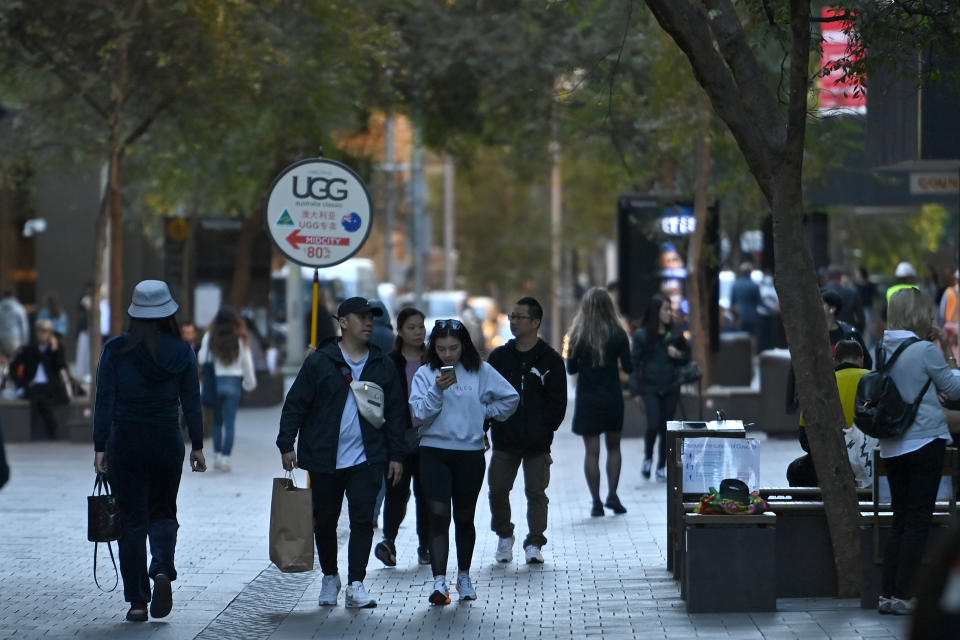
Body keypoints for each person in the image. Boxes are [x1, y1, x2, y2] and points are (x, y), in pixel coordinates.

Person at [277, 297, 407, 609]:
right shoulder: (320, 361)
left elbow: (396, 413)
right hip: (324, 456)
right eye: (361, 317)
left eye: (371, 317)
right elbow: (296, 403)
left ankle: (356, 583)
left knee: (363, 519)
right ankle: (330, 576)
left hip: (368, 456)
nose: (368, 322)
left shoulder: (382, 364)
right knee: (325, 520)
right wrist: (286, 443)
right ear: (343, 322)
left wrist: (396, 455)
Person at [92, 280, 206, 623]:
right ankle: (161, 569)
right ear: (169, 313)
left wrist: (100, 445)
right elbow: (192, 401)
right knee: (163, 512)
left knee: (131, 521)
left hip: (125, 440)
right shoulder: (182, 351)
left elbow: (104, 400)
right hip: (166, 439)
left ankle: (138, 602)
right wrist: (197, 444)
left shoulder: (115, 349)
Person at [409, 318, 518, 605]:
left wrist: (484, 414)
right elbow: (418, 414)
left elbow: (511, 398)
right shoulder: (424, 374)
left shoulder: (480, 371)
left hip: (469, 453)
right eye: (441, 348)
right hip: (434, 450)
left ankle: (464, 576)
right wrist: (437, 390)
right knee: (438, 514)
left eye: (453, 348)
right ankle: (439, 581)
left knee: (464, 517)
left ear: (464, 346)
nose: (447, 354)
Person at [876, 287, 960, 615]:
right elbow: (953, 389)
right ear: (916, 314)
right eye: (926, 312)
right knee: (918, 521)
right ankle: (904, 595)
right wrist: (948, 352)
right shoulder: (925, 349)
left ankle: (887, 593)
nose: (931, 318)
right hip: (925, 441)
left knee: (899, 520)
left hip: (893, 444)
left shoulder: (883, 347)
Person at [486, 297, 567, 565]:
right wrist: (485, 428)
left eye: (520, 317)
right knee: (497, 489)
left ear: (535, 322)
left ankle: (534, 542)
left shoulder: (550, 360)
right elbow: (486, 396)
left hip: (537, 442)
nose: (514, 321)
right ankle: (504, 534)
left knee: (536, 493)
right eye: (512, 316)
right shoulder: (499, 358)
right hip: (504, 439)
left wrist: (545, 429)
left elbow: (558, 402)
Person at [565, 287, 633, 517]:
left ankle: (596, 502)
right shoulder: (618, 334)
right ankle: (613, 495)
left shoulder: (577, 336)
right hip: (612, 396)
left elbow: (571, 368)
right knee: (614, 447)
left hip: (587, 398)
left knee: (591, 452)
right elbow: (630, 367)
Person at [374, 307, 431, 568]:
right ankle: (389, 541)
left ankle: (427, 546)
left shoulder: (435, 360)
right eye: (411, 327)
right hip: (398, 438)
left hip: (431, 438)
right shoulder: (390, 362)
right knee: (397, 491)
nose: (418, 332)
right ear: (400, 331)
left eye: (421, 326)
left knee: (427, 493)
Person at [786, 340, 872, 487]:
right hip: (869, 461)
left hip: (830, 461)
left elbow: (805, 439)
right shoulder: (874, 379)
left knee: (795, 472)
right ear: (861, 359)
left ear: (835, 361)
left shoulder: (818, 385)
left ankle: (815, 509)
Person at [630, 295, 690, 482]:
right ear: (656, 312)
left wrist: (678, 354)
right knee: (653, 425)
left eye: (670, 309)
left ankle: (662, 465)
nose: (669, 313)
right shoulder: (642, 335)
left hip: (671, 386)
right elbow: (634, 364)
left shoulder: (676, 334)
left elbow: (687, 358)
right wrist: (635, 391)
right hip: (650, 387)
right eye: (665, 309)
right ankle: (648, 457)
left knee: (667, 427)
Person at [197, 308, 256, 472]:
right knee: (229, 423)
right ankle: (225, 458)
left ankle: (216, 456)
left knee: (217, 422)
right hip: (234, 382)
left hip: (216, 382)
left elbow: (202, 358)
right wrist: (249, 384)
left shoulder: (210, 337)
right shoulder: (240, 339)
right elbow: (247, 364)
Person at [7, 319, 70, 439]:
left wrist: (54, 350)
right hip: (32, 385)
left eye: (45, 331)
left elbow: (60, 366)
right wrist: (20, 384)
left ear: (50, 333)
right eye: (39, 331)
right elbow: (13, 368)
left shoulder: (56, 349)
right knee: (38, 397)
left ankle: (40, 432)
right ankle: (51, 432)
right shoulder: (29, 349)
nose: (42, 334)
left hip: (51, 387)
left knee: (40, 398)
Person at [824, 265, 864, 332]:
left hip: (826, 334)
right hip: (847, 333)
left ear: (827, 277)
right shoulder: (852, 293)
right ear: (840, 277)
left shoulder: (821, 293)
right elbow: (861, 317)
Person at [730, 261, 761, 335]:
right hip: (753, 318)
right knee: (752, 338)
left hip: (740, 318)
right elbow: (758, 302)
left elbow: (732, 303)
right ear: (750, 272)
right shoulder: (754, 286)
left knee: (741, 339)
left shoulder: (735, 285)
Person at [0, 290, 29, 360]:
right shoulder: (18, 307)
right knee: (15, 362)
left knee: (2, 364)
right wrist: (25, 342)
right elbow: (24, 326)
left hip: (1, 338)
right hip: (15, 339)